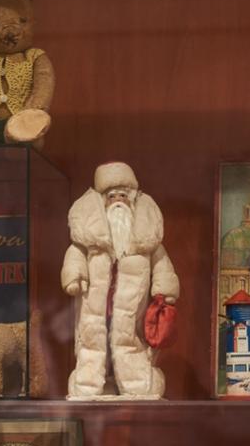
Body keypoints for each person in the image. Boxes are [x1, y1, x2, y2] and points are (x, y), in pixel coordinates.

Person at [61, 162, 179, 398]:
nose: (118, 201)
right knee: (93, 340)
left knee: (129, 340)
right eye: (112, 196)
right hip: (95, 305)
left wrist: (165, 290)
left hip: (131, 306)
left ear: (132, 201)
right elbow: (75, 257)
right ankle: (89, 384)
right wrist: (74, 276)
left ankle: (137, 383)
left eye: (123, 196)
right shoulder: (89, 243)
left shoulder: (145, 243)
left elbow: (162, 265)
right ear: (101, 202)